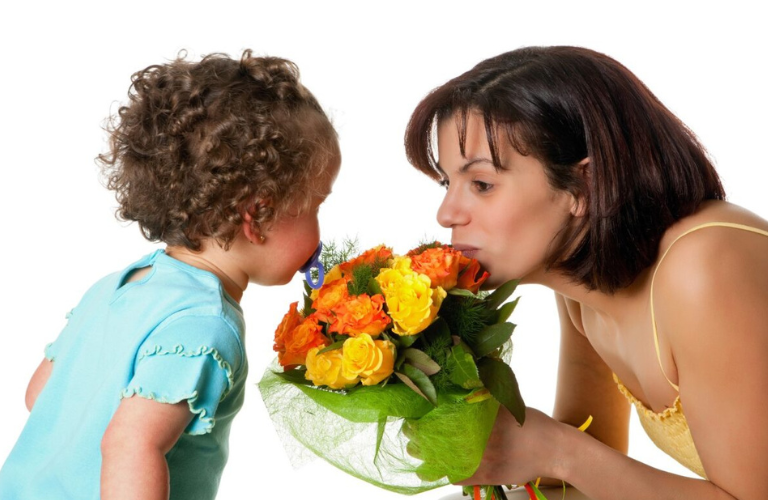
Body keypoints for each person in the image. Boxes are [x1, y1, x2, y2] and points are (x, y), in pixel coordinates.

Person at [404, 46, 767, 499]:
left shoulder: (706, 268)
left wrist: (555, 450)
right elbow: (592, 461)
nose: (447, 213)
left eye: (481, 184)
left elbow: (574, 456)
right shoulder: (583, 284)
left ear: (584, 186)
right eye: (447, 182)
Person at [0, 50, 340, 500]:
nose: (319, 228)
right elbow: (130, 444)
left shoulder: (119, 286)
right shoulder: (204, 325)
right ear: (257, 215)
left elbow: (40, 397)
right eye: (314, 205)